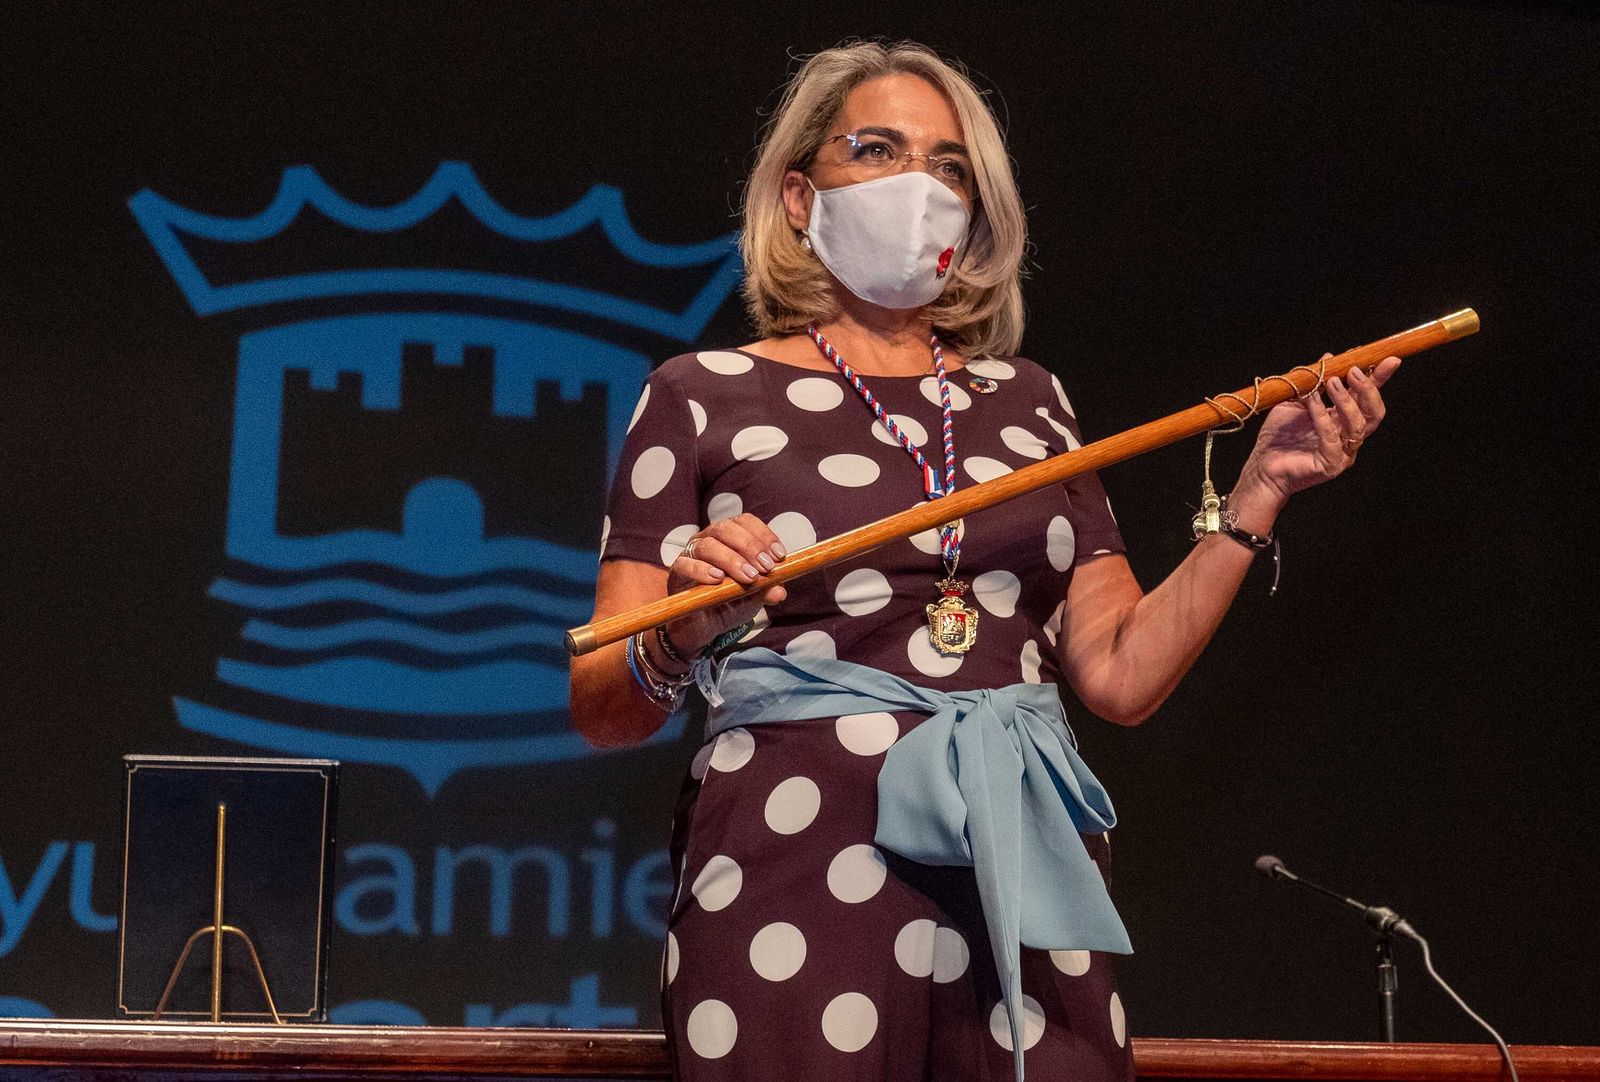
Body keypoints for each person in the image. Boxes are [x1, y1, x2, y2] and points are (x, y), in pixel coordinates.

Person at [569, 40, 1396, 1082]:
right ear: (796, 195)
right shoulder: (699, 392)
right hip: (798, 857)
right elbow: (602, 699)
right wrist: (683, 625)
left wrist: (1258, 491)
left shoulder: (1033, 401)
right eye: (875, 149)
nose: (919, 185)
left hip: (1020, 853)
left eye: (948, 166)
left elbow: (1121, 672)